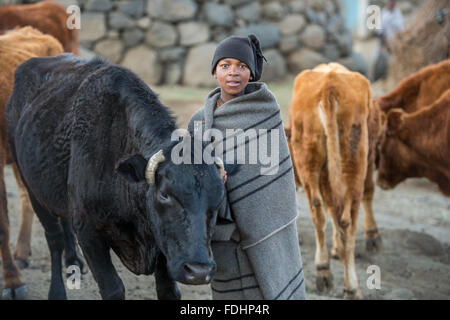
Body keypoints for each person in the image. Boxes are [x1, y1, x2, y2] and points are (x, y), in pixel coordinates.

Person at [187, 35, 306, 300]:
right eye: (225, 65)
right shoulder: (199, 122)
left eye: (242, 66)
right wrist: (212, 182)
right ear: (214, 71)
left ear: (251, 72)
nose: (233, 72)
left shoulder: (265, 111)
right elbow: (189, 181)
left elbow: (275, 177)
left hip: (265, 228)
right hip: (223, 233)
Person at [373, 0, 404, 81]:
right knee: (382, 62)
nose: (392, 4)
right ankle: (379, 79)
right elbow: (379, 32)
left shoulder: (398, 13)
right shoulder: (382, 14)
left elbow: (400, 29)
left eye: (394, 2)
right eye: (391, 2)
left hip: (394, 43)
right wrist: (386, 44)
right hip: (384, 44)